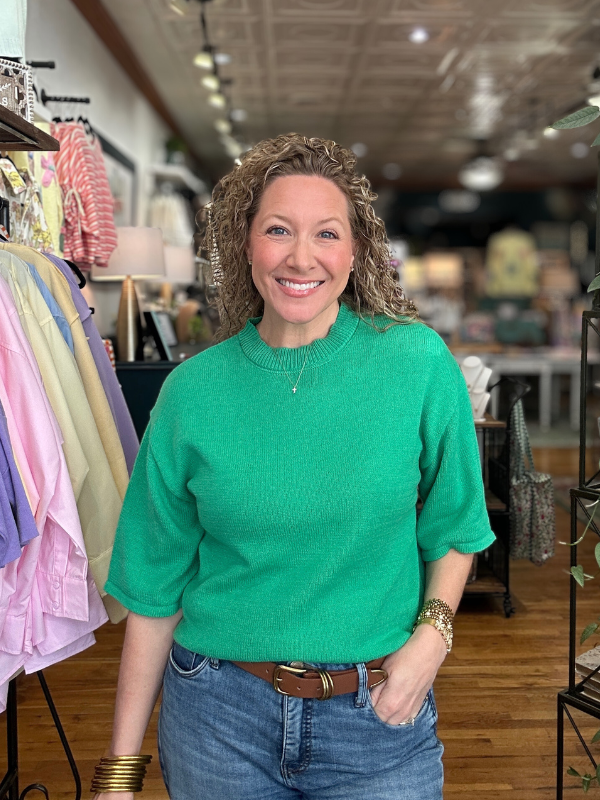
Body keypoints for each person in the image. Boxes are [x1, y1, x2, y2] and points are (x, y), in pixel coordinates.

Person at [95, 133, 495, 800]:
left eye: (327, 234)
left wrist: (434, 636)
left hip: (378, 714)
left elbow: (456, 525)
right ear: (245, 243)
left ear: (356, 250)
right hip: (216, 716)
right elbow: (154, 591)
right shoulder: (192, 393)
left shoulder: (418, 364)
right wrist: (117, 775)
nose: (301, 257)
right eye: (278, 230)